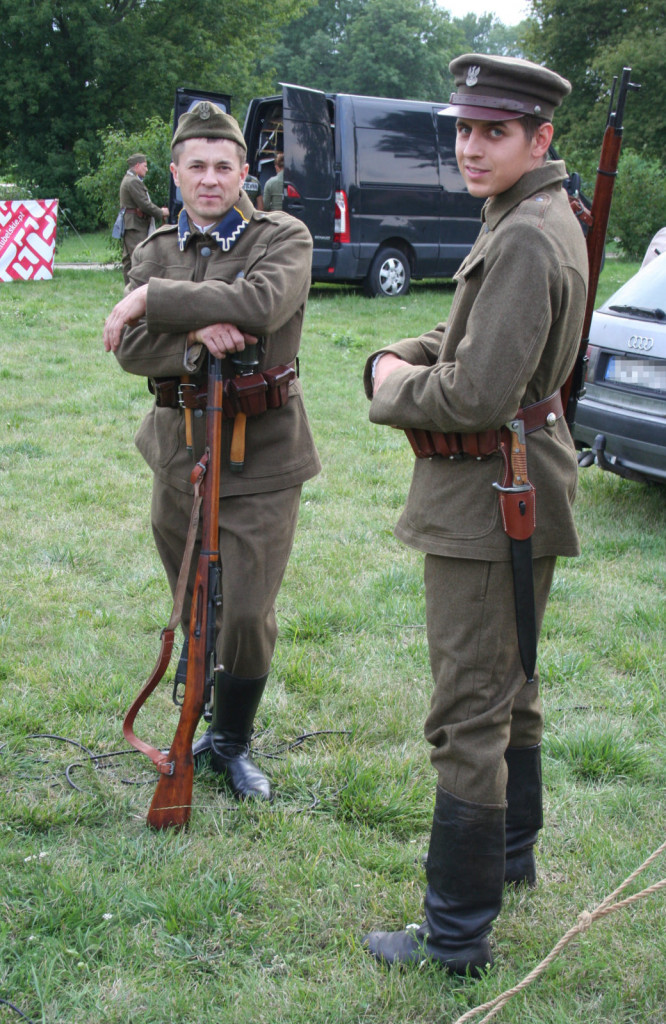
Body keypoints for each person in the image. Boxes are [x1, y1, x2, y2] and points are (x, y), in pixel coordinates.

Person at [361, 54, 589, 975]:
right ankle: (511, 857)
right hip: (516, 486)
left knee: (468, 714)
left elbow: (475, 390)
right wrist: (399, 346)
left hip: (491, 499)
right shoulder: (534, 216)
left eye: (494, 131)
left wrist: (389, 384)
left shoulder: (528, 232)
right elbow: (475, 335)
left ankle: (455, 937)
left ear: (539, 138)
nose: (471, 145)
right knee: (511, 691)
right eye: (463, 128)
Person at [103, 103, 320, 801]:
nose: (209, 179)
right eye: (195, 165)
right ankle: (194, 720)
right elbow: (130, 349)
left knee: (248, 611)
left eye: (223, 166)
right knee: (193, 601)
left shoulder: (279, 234)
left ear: (242, 172)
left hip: (262, 454)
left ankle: (229, 742)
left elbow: (260, 305)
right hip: (178, 451)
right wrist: (196, 336)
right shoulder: (158, 244)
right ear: (174, 172)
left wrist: (156, 303)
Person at [118, 153, 169, 284]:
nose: (147, 169)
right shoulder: (133, 181)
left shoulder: (128, 179)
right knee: (139, 258)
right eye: (145, 166)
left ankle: (129, 290)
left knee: (129, 260)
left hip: (131, 224)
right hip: (136, 225)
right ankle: (135, 290)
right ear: (137, 165)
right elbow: (144, 204)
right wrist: (161, 212)